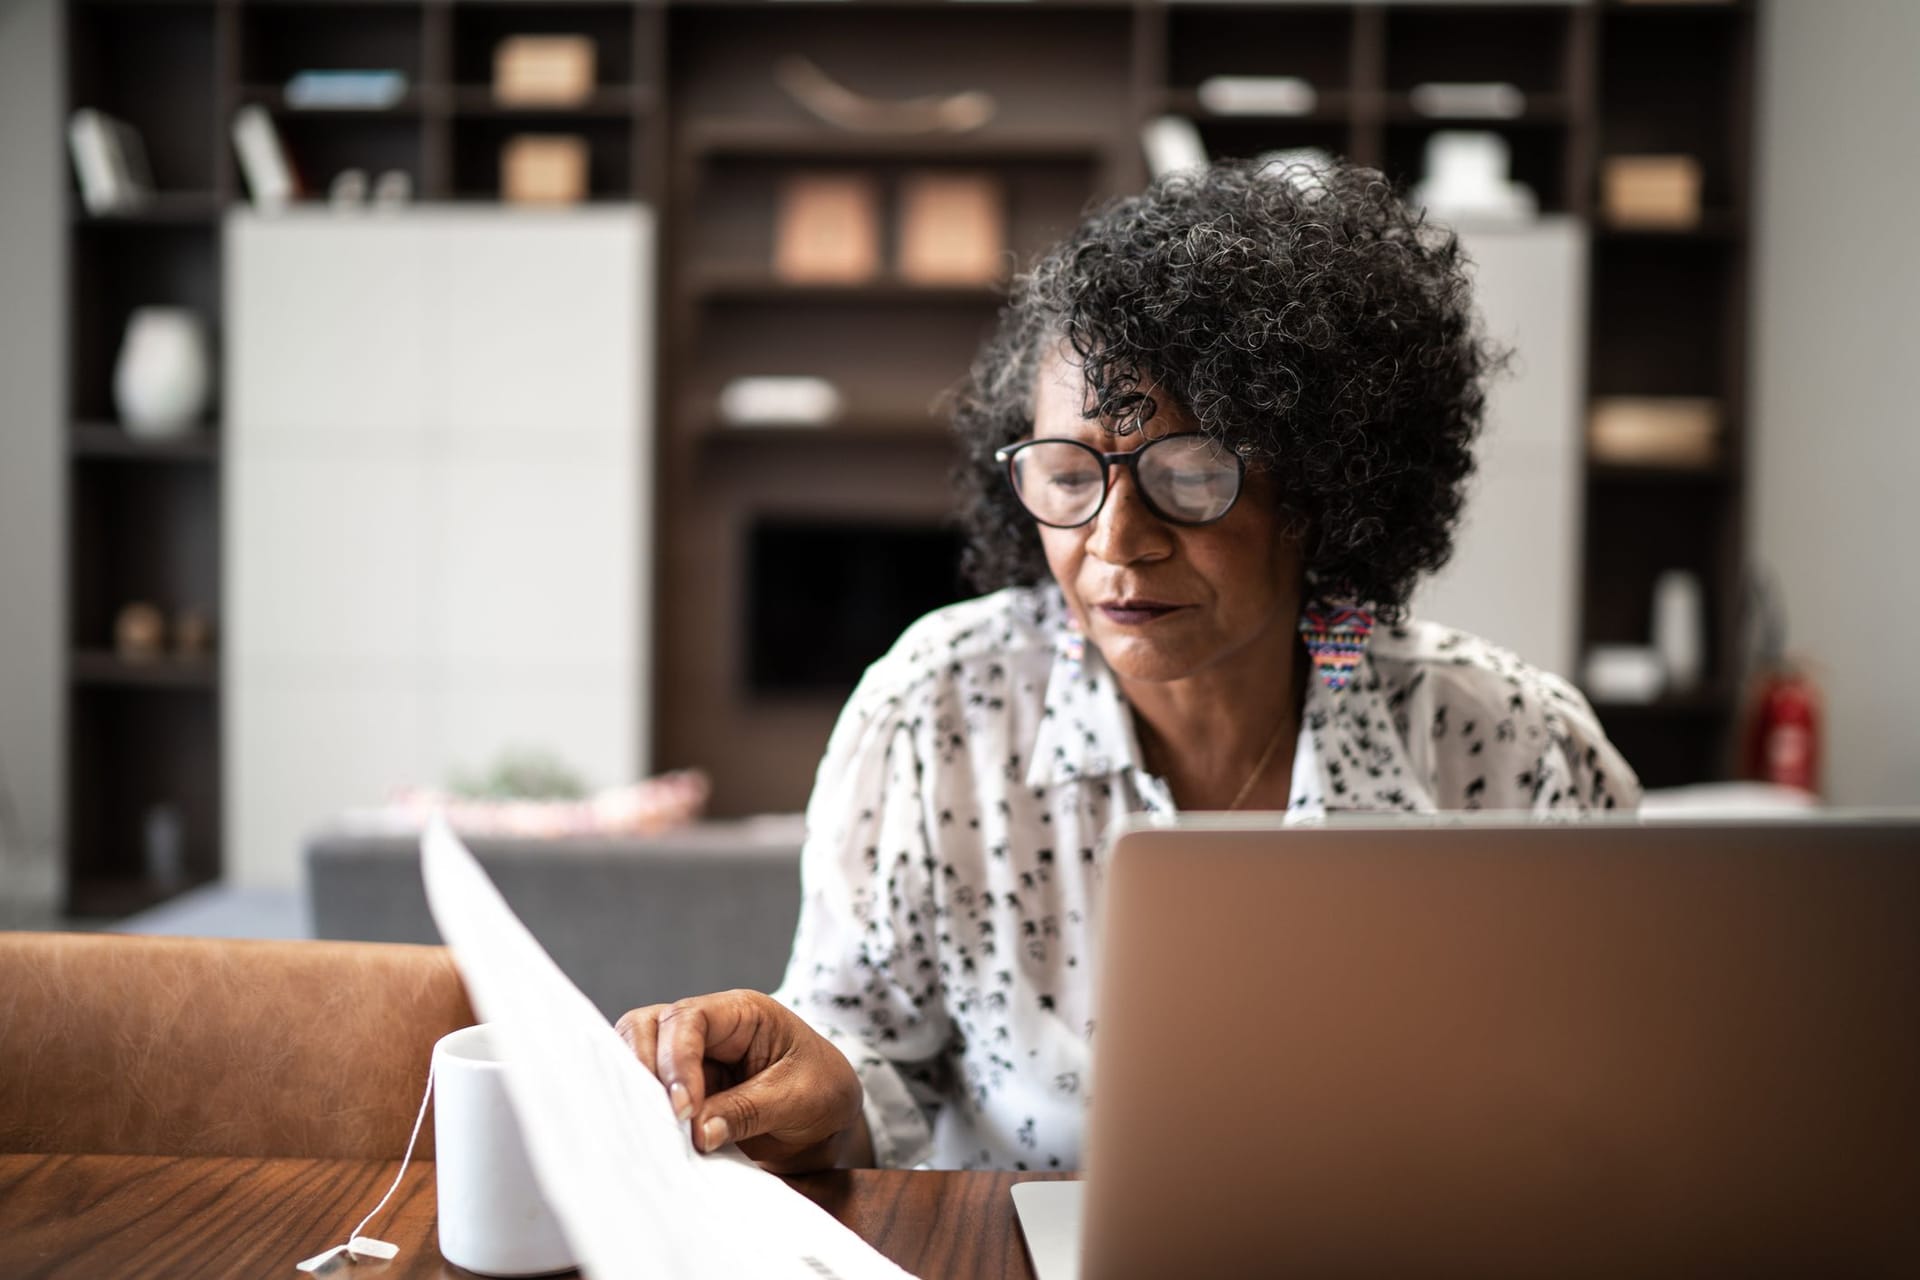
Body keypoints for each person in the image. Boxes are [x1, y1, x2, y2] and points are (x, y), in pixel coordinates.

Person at [617, 159, 1640, 1175]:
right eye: (1068, 475)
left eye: (1189, 477)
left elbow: (1614, 1109)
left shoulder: (1511, 749)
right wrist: (813, 1091)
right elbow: (865, 1074)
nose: (1115, 540)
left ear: (1322, 489)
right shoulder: (938, 710)